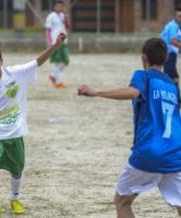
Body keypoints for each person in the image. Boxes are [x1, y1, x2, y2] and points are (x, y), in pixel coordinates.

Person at [0, 33, 66, 218]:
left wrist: (56, 45)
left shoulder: (17, 73)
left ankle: (14, 197)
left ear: (1, 61)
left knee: (17, 171)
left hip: (15, 132)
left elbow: (38, 61)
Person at [77, 38, 181, 218]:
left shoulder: (143, 75)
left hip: (149, 152)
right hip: (175, 154)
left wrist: (97, 92)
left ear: (143, 58)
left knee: (122, 201)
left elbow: (133, 92)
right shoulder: (172, 86)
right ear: (165, 60)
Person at [45, 0, 70, 89]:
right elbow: (48, 30)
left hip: (64, 41)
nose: (60, 8)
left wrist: (66, 16)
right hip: (55, 42)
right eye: (58, 6)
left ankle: (53, 76)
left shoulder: (63, 15)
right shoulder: (51, 16)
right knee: (58, 61)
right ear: (54, 7)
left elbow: (68, 26)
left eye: (61, 6)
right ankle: (58, 81)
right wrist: (49, 41)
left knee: (66, 61)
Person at [160, 7, 181, 95]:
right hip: (169, 54)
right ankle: (168, 97)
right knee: (168, 77)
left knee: (174, 76)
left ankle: (176, 98)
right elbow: (173, 41)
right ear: (175, 16)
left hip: (169, 53)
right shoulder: (174, 26)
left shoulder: (173, 25)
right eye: (179, 16)